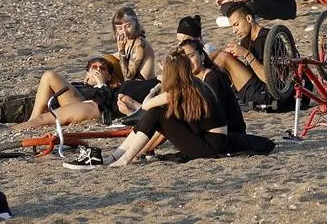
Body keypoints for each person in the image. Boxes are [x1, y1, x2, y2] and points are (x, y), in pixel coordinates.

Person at [63, 54, 229, 169]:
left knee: (156, 113)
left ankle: (122, 158)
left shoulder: (178, 91)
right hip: (213, 142)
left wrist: (156, 88)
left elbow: (146, 106)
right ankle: (116, 157)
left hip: (210, 147)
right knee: (160, 113)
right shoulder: (192, 85)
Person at [13, 57, 120, 130]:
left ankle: (31, 121)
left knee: (49, 76)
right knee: (2, 107)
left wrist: (100, 83)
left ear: (109, 76)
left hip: (78, 106)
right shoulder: (77, 84)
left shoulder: (107, 90)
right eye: (94, 67)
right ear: (87, 72)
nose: (98, 70)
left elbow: (104, 104)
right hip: (42, 105)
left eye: (102, 68)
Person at [209, 2, 276, 109]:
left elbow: (269, 80)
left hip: (269, 96)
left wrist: (246, 54)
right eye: (232, 27)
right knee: (221, 55)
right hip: (257, 89)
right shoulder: (247, 40)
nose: (234, 31)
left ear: (249, 18)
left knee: (223, 58)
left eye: (236, 25)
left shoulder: (265, 39)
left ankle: (209, 102)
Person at [110, 7, 157, 115]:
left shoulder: (139, 43)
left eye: (128, 26)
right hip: (135, 85)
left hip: (145, 85)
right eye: (120, 28)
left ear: (135, 24)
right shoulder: (128, 42)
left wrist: (121, 50)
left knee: (123, 90)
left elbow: (128, 76)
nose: (124, 32)